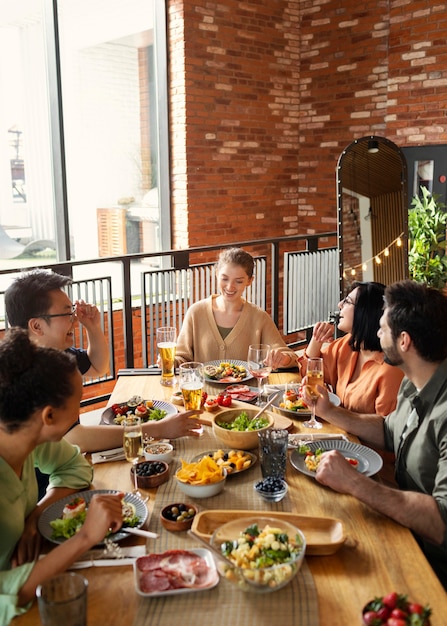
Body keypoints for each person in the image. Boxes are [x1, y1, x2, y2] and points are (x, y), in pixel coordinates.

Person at [303, 280, 447, 589]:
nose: (377, 333)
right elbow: (388, 429)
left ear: (404, 341)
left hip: (430, 563)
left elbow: (441, 524)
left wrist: (356, 482)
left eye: (383, 329)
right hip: (400, 525)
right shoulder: (415, 380)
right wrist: (330, 412)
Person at [0, 328, 126, 624]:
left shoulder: (27, 437)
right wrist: (84, 537)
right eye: (79, 402)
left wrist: (35, 516)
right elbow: (5, 593)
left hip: (41, 580)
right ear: (49, 416)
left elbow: (76, 468)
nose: (81, 410)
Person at [4, 269, 202, 454]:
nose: (74, 319)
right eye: (67, 313)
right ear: (37, 326)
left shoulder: (53, 355)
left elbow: (98, 366)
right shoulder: (26, 377)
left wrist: (92, 327)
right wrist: (159, 429)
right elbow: (76, 438)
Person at [174, 247, 297, 369]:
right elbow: (182, 357)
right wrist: (169, 362)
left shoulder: (259, 317)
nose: (230, 286)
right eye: (225, 279)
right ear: (216, 274)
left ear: (249, 281)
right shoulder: (196, 312)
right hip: (203, 389)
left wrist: (282, 358)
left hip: (247, 389)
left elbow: (291, 358)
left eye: (238, 281)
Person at [300, 281, 404, 416]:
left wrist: (330, 412)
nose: (339, 304)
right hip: (337, 431)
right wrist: (317, 338)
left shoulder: (390, 369)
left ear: (365, 312)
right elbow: (306, 371)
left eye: (347, 302)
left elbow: (386, 431)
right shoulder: (346, 345)